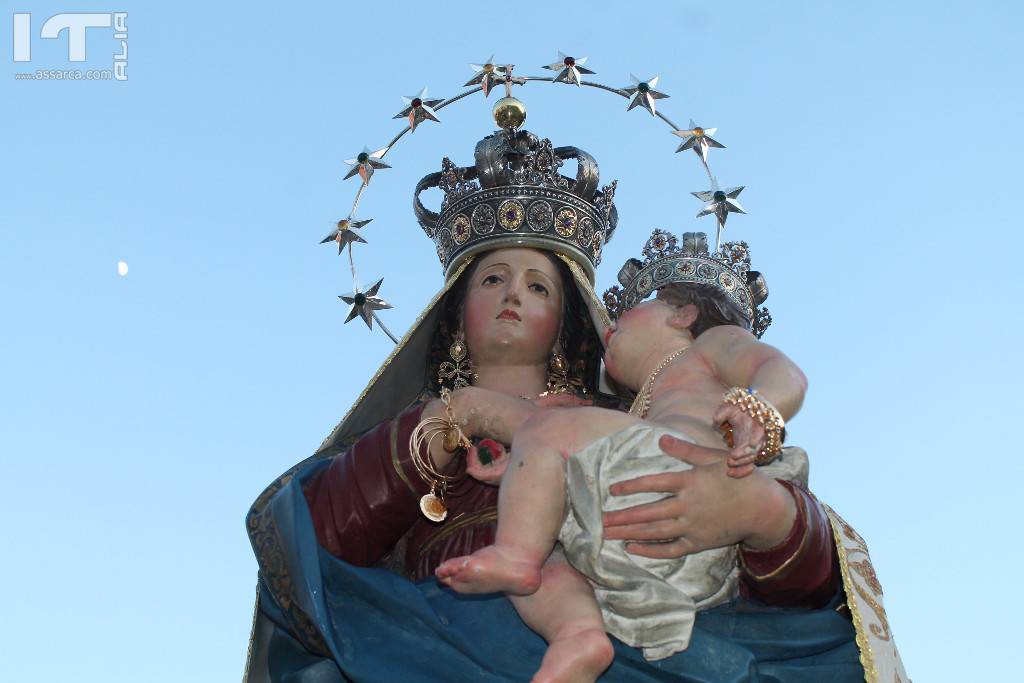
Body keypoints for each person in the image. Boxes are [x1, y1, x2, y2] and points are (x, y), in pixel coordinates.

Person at [243, 130, 904, 682]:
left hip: (637, 639)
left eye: (538, 284)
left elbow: (806, 581)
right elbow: (304, 550)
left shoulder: (623, 423)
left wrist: (760, 511)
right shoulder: (419, 429)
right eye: (492, 278)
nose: (513, 295)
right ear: (453, 311)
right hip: (433, 635)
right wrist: (444, 424)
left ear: (570, 318)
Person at [436, 232, 812, 681]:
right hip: (651, 558)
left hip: (693, 482)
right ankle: (577, 635)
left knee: (541, 441)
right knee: (549, 559)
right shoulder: (637, 412)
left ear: (682, 314)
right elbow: (586, 459)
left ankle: (514, 554)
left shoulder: (707, 350)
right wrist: (516, 474)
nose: (608, 327)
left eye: (625, 315)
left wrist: (760, 404)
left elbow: (783, 372)